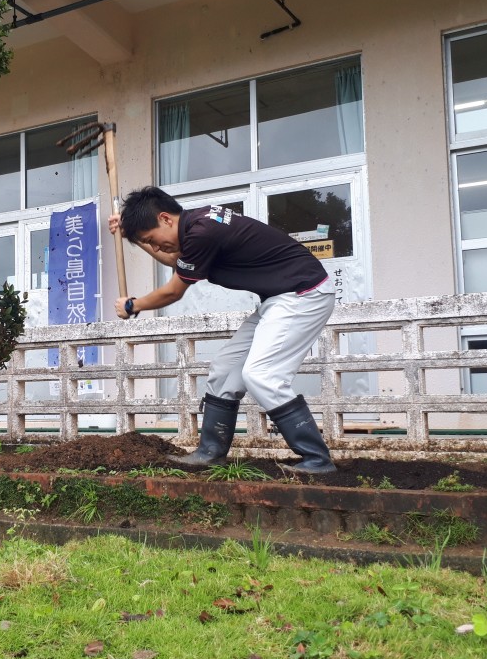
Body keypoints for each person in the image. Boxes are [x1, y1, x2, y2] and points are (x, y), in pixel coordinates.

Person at [109, 186, 337, 473]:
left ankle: (317, 459)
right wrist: (131, 233)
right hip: (279, 298)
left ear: (166, 219)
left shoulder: (202, 233)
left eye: (151, 239)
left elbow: (172, 292)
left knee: (262, 375)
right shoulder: (198, 226)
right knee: (225, 371)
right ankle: (210, 453)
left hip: (304, 293)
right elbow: (173, 258)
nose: (155, 247)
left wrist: (133, 306)